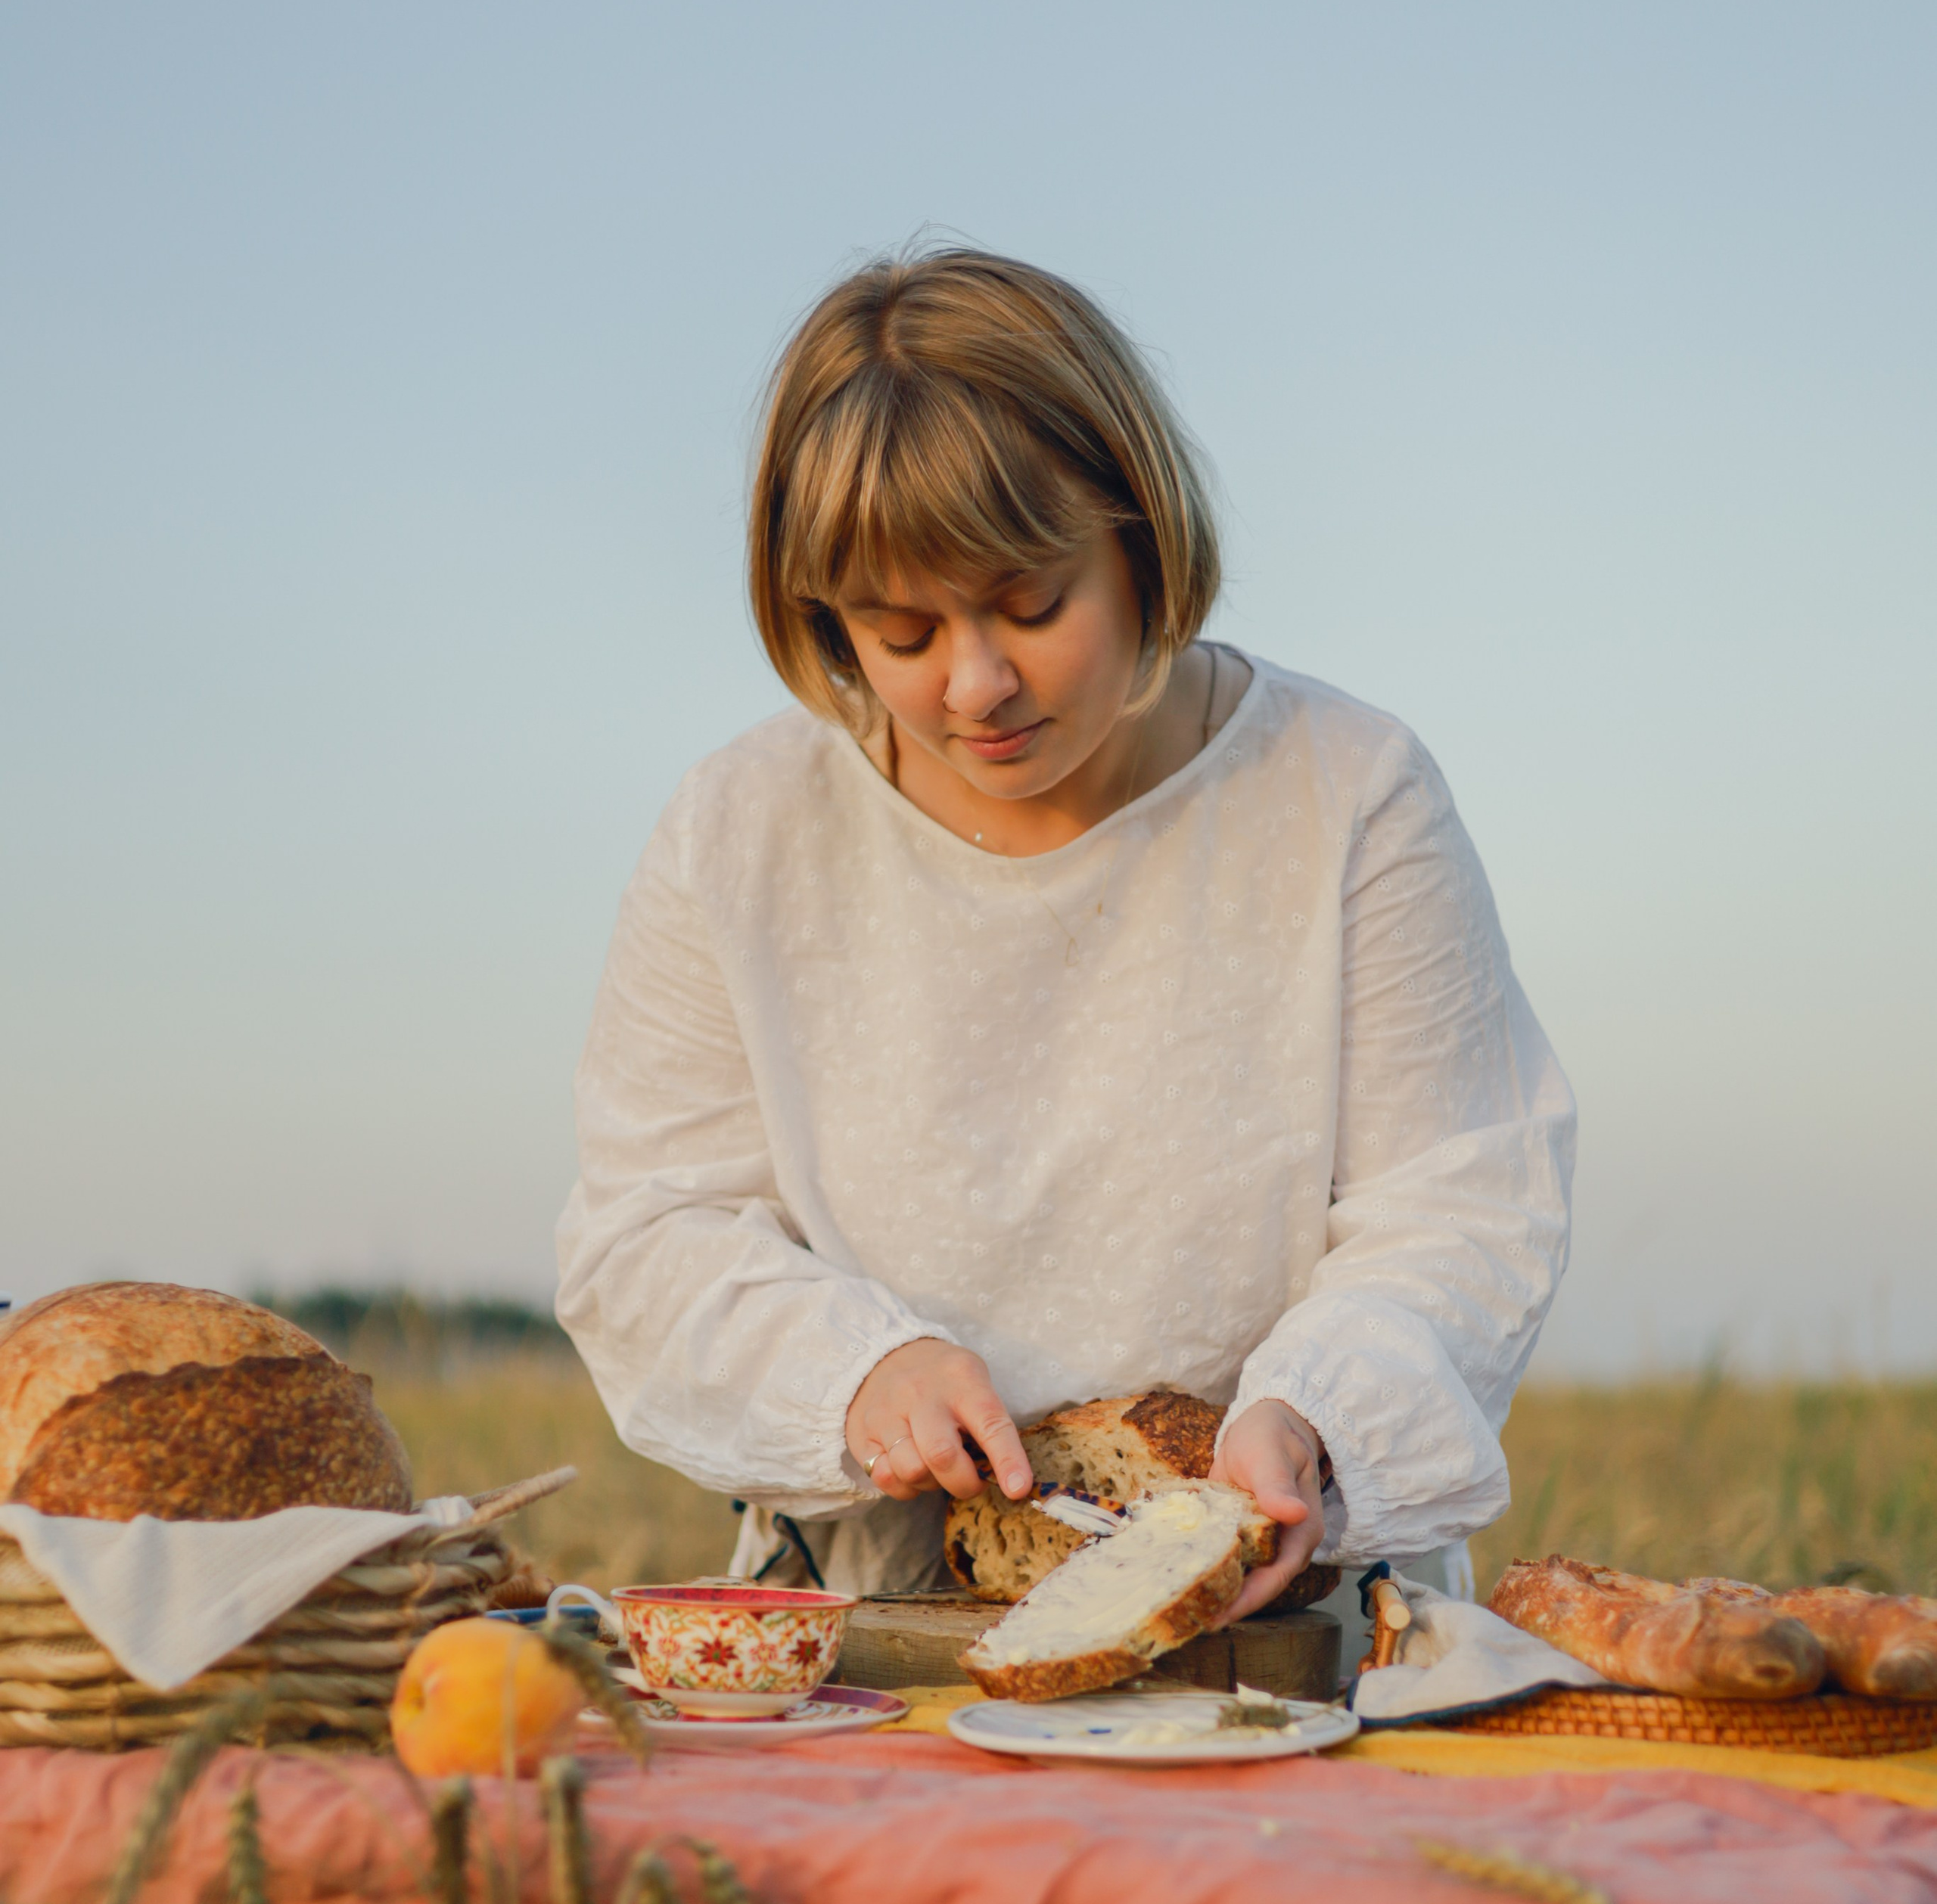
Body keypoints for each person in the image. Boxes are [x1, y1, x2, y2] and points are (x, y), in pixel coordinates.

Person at [557, 249, 1574, 1621]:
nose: (977, 684)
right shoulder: (741, 832)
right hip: (872, 1626)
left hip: (1284, 1616)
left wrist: (1311, 1421)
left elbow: (1458, 1202)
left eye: (1034, 604)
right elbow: (646, 1235)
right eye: (902, 630)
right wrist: (854, 1372)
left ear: (1143, 542)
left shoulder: (1346, 791)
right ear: (823, 617)